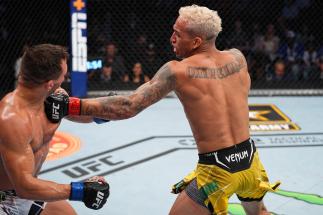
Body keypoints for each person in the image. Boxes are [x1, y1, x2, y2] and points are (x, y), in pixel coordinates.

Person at [45, 5, 280, 215]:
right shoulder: (238, 58)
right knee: (259, 213)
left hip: (217, 171)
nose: (172, 38)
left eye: (178, 34)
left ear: (197, 41)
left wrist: (71, 105)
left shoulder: (177, 70)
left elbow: (129, 106)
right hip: (250, 162)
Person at [0, 44, 110, 215]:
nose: (64, 80)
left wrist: (106, 112)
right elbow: (24, 186)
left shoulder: (52, 95)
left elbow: (76, 113)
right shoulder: (12, 119)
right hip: (10, 193)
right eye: (63, 76)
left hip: (22, 192)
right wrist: (82, 190)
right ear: (49, 83)